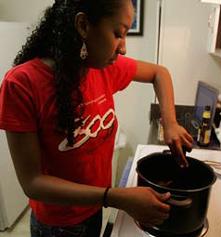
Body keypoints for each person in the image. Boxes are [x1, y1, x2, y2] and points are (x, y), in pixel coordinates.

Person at [0, 0, 193, 236]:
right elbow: (32, 183)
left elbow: (159, 73)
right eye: (118, 34)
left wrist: (170, 123)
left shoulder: (101, 67)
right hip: (59, 226)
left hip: (95, 209)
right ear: (83, 25)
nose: (123, 48)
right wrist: (113, 197)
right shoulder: (21, 84)